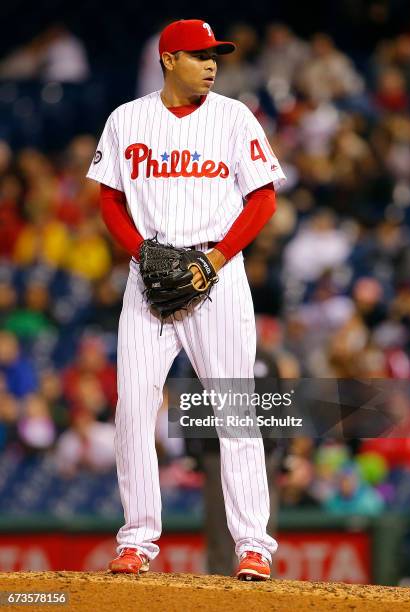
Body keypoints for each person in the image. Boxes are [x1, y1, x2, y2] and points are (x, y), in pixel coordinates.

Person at [86, 18, 286, 581]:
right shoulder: (127, 120)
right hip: (148, 280)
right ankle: (136, 540)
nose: (212, 62)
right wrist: (141, 256)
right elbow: (109, 203)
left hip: (217, 276)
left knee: (235, 407)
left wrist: (214, 261)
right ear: (169, 59)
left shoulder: (233, 116)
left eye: (214, 54)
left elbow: (263, 201)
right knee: (132, 411)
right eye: (199, 54)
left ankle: (253, 544)